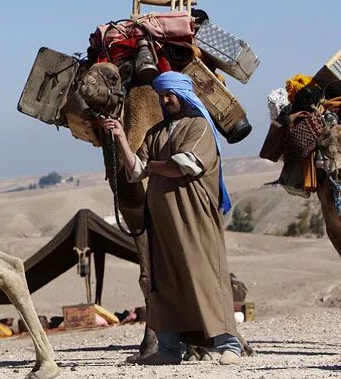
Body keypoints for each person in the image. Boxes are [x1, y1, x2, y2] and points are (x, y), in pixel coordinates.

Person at [102, 71, 241, 366]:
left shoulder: (199, 127)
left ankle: (229, 343)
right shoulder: (156, 133)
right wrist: (120, 139)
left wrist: (152, 166)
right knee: (164, 282)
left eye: (170, 94)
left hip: (193, 217)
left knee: (204, 275)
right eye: (162, 95)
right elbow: (136, 170)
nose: (166, 100)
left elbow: (185, 165)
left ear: (183, 95)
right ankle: (167, 349)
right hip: (162, 222)